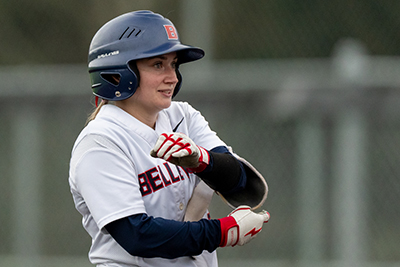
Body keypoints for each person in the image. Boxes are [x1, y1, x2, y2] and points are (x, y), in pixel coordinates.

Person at [69, 10, 270, 267]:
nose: (172, 77)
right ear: (118, 72)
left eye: (173, 64)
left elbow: (243, 185)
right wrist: (222, 231)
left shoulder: (182, 115)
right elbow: (137, 235)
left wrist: (201, 161)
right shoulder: (100, 142)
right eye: (158, 64)